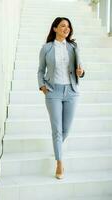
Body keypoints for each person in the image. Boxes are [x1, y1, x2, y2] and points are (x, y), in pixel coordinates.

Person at [37, 17, 85, 179]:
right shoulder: (47, 48)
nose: (67, 29)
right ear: (55, 28)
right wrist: (42, 86)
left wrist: (81, 73)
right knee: (57, 130)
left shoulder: (73, 47)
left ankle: (57, 147)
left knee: (66, 129)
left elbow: (81, 68)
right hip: (53, 92)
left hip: (71, 91)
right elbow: (40, 70)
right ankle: (59, 163)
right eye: (63, 26)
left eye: (69, 27)